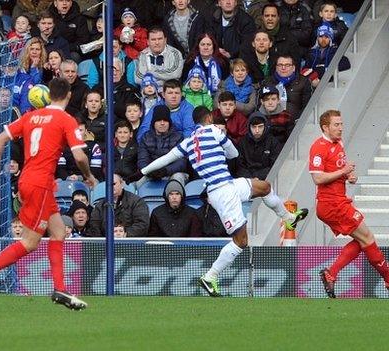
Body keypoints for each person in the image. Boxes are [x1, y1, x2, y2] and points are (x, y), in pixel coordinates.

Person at [130, 106, 308, 296]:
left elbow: (165, 159)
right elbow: (234, 154)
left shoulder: (187, 143)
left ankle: (288, 217)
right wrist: (222, 149)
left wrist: (141, 171)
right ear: (209, 118)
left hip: (228, 184)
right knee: (241, 241)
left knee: (264, 187)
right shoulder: (214, 130)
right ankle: (210, 276)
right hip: (222, 192)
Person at [0, 77, 97, 310]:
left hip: (33, 181)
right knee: (29, 242)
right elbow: (79, 156)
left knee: (58, 231)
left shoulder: (30, 116)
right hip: (39, 184)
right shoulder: (65, 119)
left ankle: (60, 289)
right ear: (68, 96)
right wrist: (88, 175)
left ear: (48, 96)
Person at [310, 110, 389, 298]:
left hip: (338, 202)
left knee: (363, 241)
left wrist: (347, 176)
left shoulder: (339, 144)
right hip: (331, 204)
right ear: (325, 127)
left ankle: (332, 273)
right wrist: (343, 171)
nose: (340, 128)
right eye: (336, 125)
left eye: (341, 124)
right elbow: (318, 178)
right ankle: (387, 278)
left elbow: (337, 170)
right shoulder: (318, 147)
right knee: (368, 238)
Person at [236, 111, 282, 180]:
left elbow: (275, 165)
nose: (257, 130)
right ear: (249, 127)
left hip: (267, 179)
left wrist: (257, 177)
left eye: (260, 127)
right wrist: (251, 178)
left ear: (265, 126)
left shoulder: (273, 142)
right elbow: (239, 166)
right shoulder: (242, 142)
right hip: (247, 180)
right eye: (254, 127)